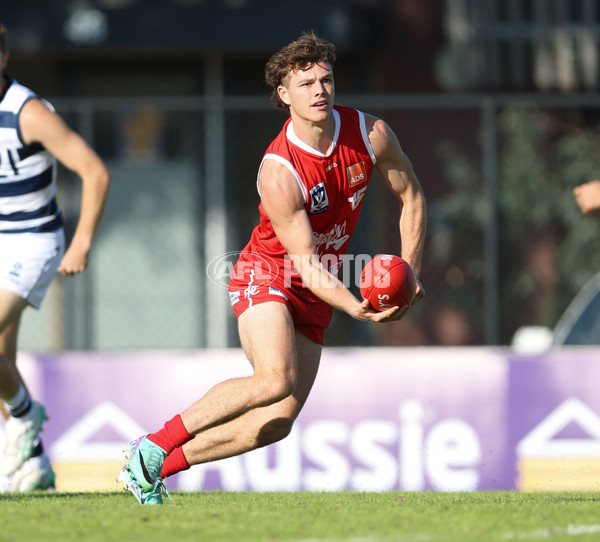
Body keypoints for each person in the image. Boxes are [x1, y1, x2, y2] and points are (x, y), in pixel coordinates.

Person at [118, 31, 426, 504]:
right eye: (305, 84)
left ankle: (152, 465)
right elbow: (302, 260)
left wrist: (410, 271)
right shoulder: (279, 171)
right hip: (268, 273)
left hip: (313, 288)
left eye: (325, 80)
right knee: (274, 379)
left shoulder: (371, 134)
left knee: (278, 421)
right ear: (284, 95)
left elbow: (412, 196)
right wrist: (355, 307)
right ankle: (157, 442)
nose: (319, 90)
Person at [0, 23, 110, 491]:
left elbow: (94, 172)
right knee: (2, 355)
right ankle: (36, 465)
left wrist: (81, 241)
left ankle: (26, 416)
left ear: (3, 58)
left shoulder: (27, 112)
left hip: (33, 243)